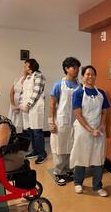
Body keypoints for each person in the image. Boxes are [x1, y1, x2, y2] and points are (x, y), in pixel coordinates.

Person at [70, 65, 110, 197]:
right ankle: (78, 183)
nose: (90, 76)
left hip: (99, 129)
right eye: (87, 74)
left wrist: (102, 125)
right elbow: (78, 114)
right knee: (81, 156)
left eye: (92, 74)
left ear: (95, 76)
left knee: (98, 157)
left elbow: (104, 112)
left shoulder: (101, 93)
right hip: (83, 129)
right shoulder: (78, 93)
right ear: (83, 76)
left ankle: (97, 186)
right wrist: (90, 129)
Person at [49, 57, 80, 186]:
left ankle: (68, 170)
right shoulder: (58, 85)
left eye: (78, 67)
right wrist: (51, 122)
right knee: (60, 147)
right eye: (73, 67)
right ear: (66, 69)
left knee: (72, 146)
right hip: (61, 121)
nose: (76, 70)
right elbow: (52, 104)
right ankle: (58, 172)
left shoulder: (80, 86)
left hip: (75, 121)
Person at [19, 59, 47, 164]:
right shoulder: (26, 78)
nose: (24, 67)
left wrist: (28, 105)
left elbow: (37, 92)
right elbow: (22, 92)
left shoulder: (38, 76)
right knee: (30, 130)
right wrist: (21, 104)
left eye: (25, 65)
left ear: (30, 66)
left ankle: (42, 154)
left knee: (37, 131)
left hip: (35, 107)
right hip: (26, 108)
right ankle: (35, 151)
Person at [8, 69, 27, 133]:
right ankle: (14, 138)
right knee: (12, 122)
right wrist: (13, 105)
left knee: (23, 124)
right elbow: (11, 93)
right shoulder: (18, 79)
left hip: (22, 105)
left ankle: (23, 138)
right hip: (14, 103)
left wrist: (19, 106)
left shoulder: (30, 81)